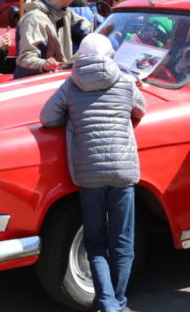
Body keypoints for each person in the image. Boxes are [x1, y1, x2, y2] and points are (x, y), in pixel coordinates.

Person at [40, 33, 145, 312]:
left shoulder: (71, 84)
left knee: (95, 242)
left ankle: (108, 303)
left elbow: (47, 117)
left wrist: (71, 114)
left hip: (88, 174)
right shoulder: (124, 80)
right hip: (123, 172)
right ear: (110, 54)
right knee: (123, 242)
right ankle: (118, 303)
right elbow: (141, 110)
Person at [14, 0, 90, 78]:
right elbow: (25, 59)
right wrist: (44, 64)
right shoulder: (34, 19)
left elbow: (87, 31)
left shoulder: (65, 13)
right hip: (35, 86)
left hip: (57, 80)